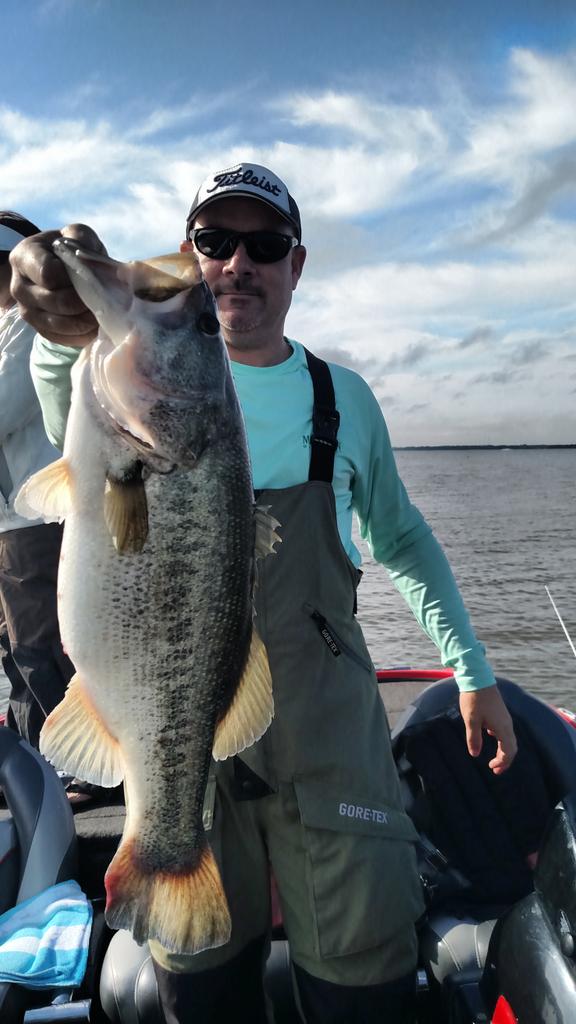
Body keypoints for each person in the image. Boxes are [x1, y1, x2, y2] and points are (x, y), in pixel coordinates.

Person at [10, 163, 517, 1024]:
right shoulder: (109, 379)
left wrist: (471, 672)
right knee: (200, 984)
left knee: (364, 982)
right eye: (212, 243)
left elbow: (402, 540)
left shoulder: (343, 400)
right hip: (190, 751)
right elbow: (63, 368)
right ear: (189, 255)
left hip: (329, 736)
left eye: (265, 245)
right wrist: (53, 304)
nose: (237, 263)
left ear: (296, 265)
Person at [0, 211, 74, 750]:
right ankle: (31, 759)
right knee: (15, 644)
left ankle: (79, 762)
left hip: (35, 521)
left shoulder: (30, 324)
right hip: (11, 524)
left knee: (40, 645)